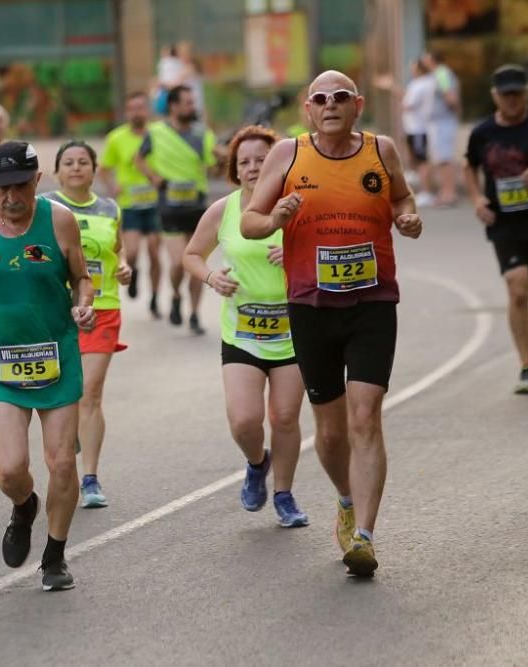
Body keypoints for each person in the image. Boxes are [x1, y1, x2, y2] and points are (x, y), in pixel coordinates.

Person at [241, 71, 423, 577]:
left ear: (358, 104)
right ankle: (345, 497)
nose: (330, 104)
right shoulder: (288, 155)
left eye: (340, 96)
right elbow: (249, 222)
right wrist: (275, 217)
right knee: (329, 428)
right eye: (320, 99)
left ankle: (364, 534)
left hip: (372, 302)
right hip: (310, 306)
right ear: (308, 109)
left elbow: (403, 198)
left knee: (366, 415)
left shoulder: (381, 151)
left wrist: (408, 216)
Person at [0, 141, 96, 592]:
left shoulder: (59, 220)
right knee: (10, 470)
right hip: (2, 360)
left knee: (62, 463)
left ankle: (54, 555)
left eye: (20, 187)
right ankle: (25, 505)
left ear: (37, 180)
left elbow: (82, 278)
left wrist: (83, 305)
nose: (10, 197)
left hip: (57, 354)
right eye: (1, 187)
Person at [183, 126, 308, 527]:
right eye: (245, 162)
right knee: (243, 420)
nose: (254, 168)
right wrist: (210, 278)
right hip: (243, 333)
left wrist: (294, 258)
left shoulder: (299, 206)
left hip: (293, 330)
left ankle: (285, 496)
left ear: (278, 162)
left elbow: (328, 255)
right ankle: (257, 462)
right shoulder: (225, 210)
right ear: (234, 170)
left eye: (261, 159)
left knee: (286, 418)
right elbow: (191, 254)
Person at [44, 141, 131, 508]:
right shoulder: (46, 207)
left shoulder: (110, 207)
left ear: (95, 169)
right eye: (69, 162)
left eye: (83, 162)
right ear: (57, 171)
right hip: (54, 311)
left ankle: (91, 478)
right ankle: (68, 453)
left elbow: (118, 248)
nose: (77, 167)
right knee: (67, 396)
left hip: (102, 308)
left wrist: (123, 266)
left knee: (91, 392)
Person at [464, 65, 528, 391]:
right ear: (495, 96)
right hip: (505, 222)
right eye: (506, 94)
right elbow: (469, 165)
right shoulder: (483, 133)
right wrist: (477, 199)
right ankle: (526, 366)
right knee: (517, 288)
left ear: (526, 93)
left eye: (517, 93)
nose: (512, 100)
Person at [135, 85, 218, 333]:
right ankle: (175, 295)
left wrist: (222, 157)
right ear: (173, 106)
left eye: (193, 102)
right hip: (169, 208)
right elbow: (139, 160)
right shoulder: (156, 132)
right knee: (179, 263)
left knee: (197, 266)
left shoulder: (203, 134)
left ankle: (193, 314)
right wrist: (154, 178)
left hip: (197, 208)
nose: (192, 107)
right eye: (187, 103)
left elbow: (213, 166)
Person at [99, 92, 163, 317]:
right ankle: (134, 271)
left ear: (148, 110)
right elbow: (104, 168)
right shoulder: (116, 138)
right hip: (129, 204)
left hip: (155, 202)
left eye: (141, 107)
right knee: (132, 251)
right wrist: (112, 187)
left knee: (155, 250)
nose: (137, 112)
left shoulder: (159, 135)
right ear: (127, 112)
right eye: (132, 108)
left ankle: (155, 297)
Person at [423, 51, 461, 207]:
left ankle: (449, 193)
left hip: (443, 121)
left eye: (426, 57)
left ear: (432, 59)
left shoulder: (442, 73)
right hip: (439, 122)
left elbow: (450, 96)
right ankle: (445, 191)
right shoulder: (438, 74)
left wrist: (452, 107)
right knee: (440, 159)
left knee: (445, 159)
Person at [401, 59, 437, 207]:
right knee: (416, 158)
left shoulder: (421, 85)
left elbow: (407, 104)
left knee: (422, 161)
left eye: (414, 68)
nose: (412, 71)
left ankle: (426, 191)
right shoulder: (423, 83)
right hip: (413, 127)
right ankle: (422, 188)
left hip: (418, 128)